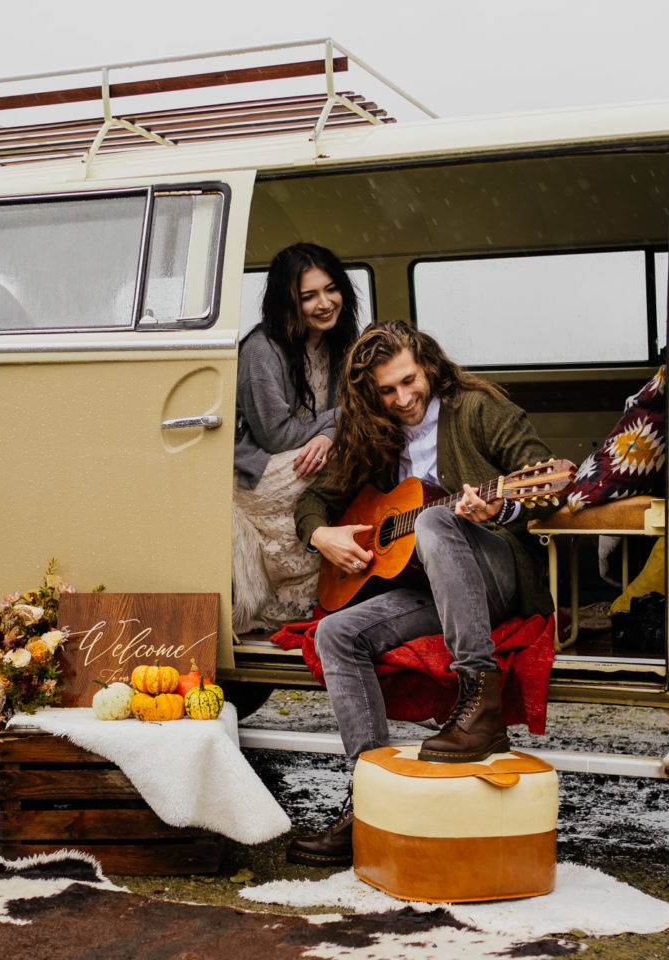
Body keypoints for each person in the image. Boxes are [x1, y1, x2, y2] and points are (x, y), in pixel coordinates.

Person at [286, 321, 575, 866]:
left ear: (427, 363)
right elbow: (313, 502)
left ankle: (479, 704)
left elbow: (552, 481)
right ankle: (370, 802)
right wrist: (321, 536)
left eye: (408, 381)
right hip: (427, 592)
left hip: (494, 574)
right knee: (335, 632)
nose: (402, 399)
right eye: (386, 391)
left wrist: (503, 507)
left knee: (437, 525)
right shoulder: (373, 430)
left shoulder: (478, 408)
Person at [231, 243, 361, 633]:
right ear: (287, 301)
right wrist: (334, 427)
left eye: (330, 289)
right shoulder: (261, 350)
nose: (325, 303)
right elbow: (276, 434)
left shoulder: (337, 341)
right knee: (346, 465)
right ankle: (296, 602)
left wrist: (331, 435)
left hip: (304, 454)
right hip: (258, 470)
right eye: (308, 296)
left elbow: (351, 412)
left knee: (355, 458)